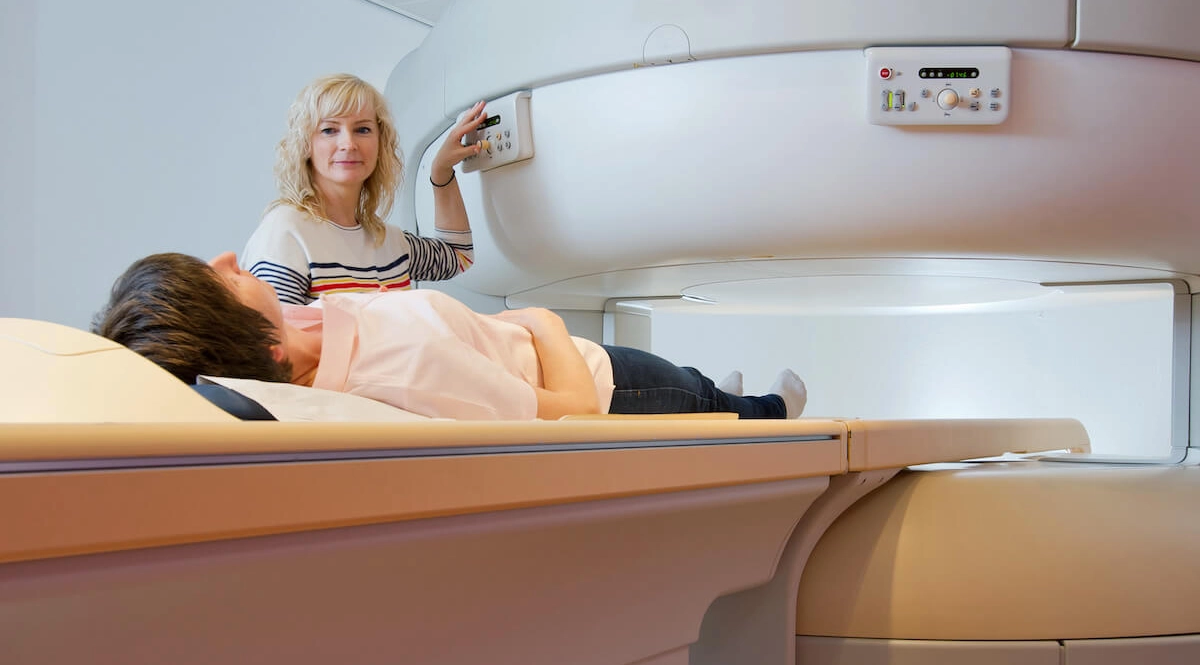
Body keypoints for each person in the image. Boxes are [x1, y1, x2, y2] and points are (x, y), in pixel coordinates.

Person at [93, 252, 808, 421]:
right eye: (222, 280)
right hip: (605, 379)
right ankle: (773, 409)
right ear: (265, 351)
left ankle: (729, 396)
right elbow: (574, 417)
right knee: (709, 402)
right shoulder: (398, 372)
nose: (226, 258)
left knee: (699, 385)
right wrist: (547, 322)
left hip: (544, 350)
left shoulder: (293, 332)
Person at [241, 73, 485, 305]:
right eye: (329, 130)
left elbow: (458, 256)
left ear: (380, 142)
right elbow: (274, 341)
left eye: (363, 129)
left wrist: (440, 171)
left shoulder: (388, 242)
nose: (348, 143)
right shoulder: (286, 232)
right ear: (306, 145)